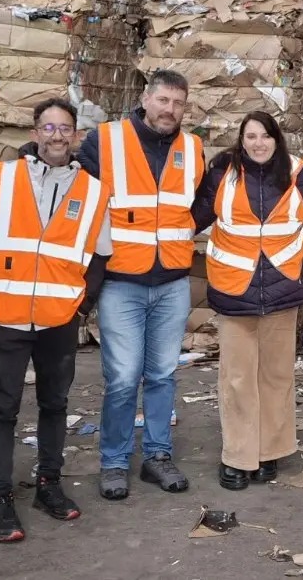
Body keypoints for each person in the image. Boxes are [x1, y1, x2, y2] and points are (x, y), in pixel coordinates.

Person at [0, 98, 112, 542]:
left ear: (76, 135)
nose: (57, 136)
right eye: (49, 128)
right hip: (7, 315)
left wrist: (81, 306)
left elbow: (100, 255)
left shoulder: (93, 191)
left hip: (59, 319)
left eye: (65, 128)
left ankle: (49, 485)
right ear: (35, 132)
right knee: (2, 410)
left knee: (55, 405)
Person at [76, 69, 208, 500]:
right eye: (163, 100)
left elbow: (202, 200)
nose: (170, 110)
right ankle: (114, 461)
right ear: (146, 98)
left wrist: (186, 229)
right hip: (122, 281)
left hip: (172, 280)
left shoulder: (192, 148)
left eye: (178, 103)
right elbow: (76, 188)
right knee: (122, 377)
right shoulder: (106, 140)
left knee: (163, 374)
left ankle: (157, 455)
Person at [202, 111, 303, 491]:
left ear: (276, 139)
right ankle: (238, 456)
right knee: (237, 379)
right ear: (242, 140)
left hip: (281, 291)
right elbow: (191, 214)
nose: (258, 143)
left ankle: (269, 451)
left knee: (276, 376)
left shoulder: (297, 173)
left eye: (265, 136)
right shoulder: (222, 172)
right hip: (234, 291)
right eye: (251, 136)